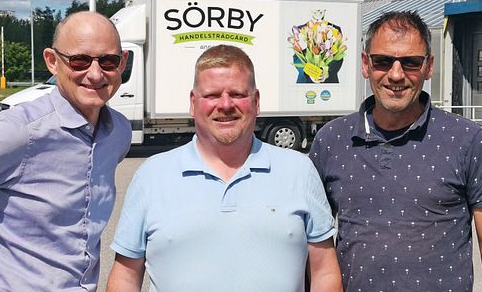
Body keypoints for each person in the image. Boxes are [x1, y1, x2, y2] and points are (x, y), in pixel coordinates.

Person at [309, 11, 482, 291]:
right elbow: (313, 249)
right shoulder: (331, 141)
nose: (396, 75)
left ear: (429, 66)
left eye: (410, 62)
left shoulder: (468, 140)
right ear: (365, 64)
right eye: (383, 61)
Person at [106, 44, 341, 292]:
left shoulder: (299, 171)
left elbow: (324, 271)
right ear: (193, 103)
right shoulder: (151, 175)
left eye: (238, 94)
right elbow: (125, 277)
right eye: (212, 95)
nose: (226, 104)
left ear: (257, 101)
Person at [0, 11, 132, 291]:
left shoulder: (119, 132)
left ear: (122, 63)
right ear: (52, 62)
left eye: (108, 61)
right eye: (79, 61)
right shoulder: (20, 130)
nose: (95, 74)